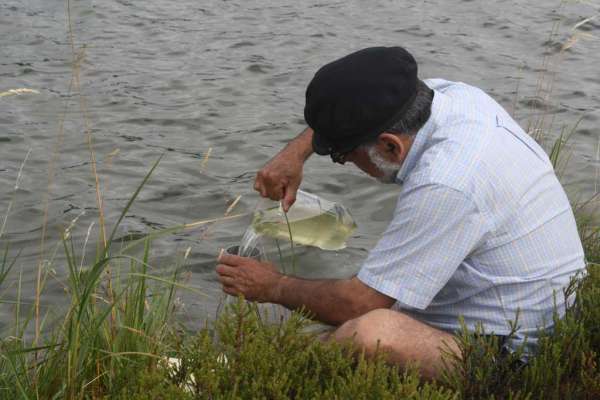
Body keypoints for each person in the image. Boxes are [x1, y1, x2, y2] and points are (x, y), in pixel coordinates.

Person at [215, 46, 586, 379]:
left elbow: (358, 303)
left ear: (390, 147)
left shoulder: (446, 183)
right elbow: (358, 99)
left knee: (370, 334)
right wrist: (295, 153)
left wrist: (273, 286)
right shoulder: (454, 99)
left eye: (344, 156)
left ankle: (245, 383)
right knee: (330, 334)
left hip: (516, 354)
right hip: (520, 311)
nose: (343, 164)